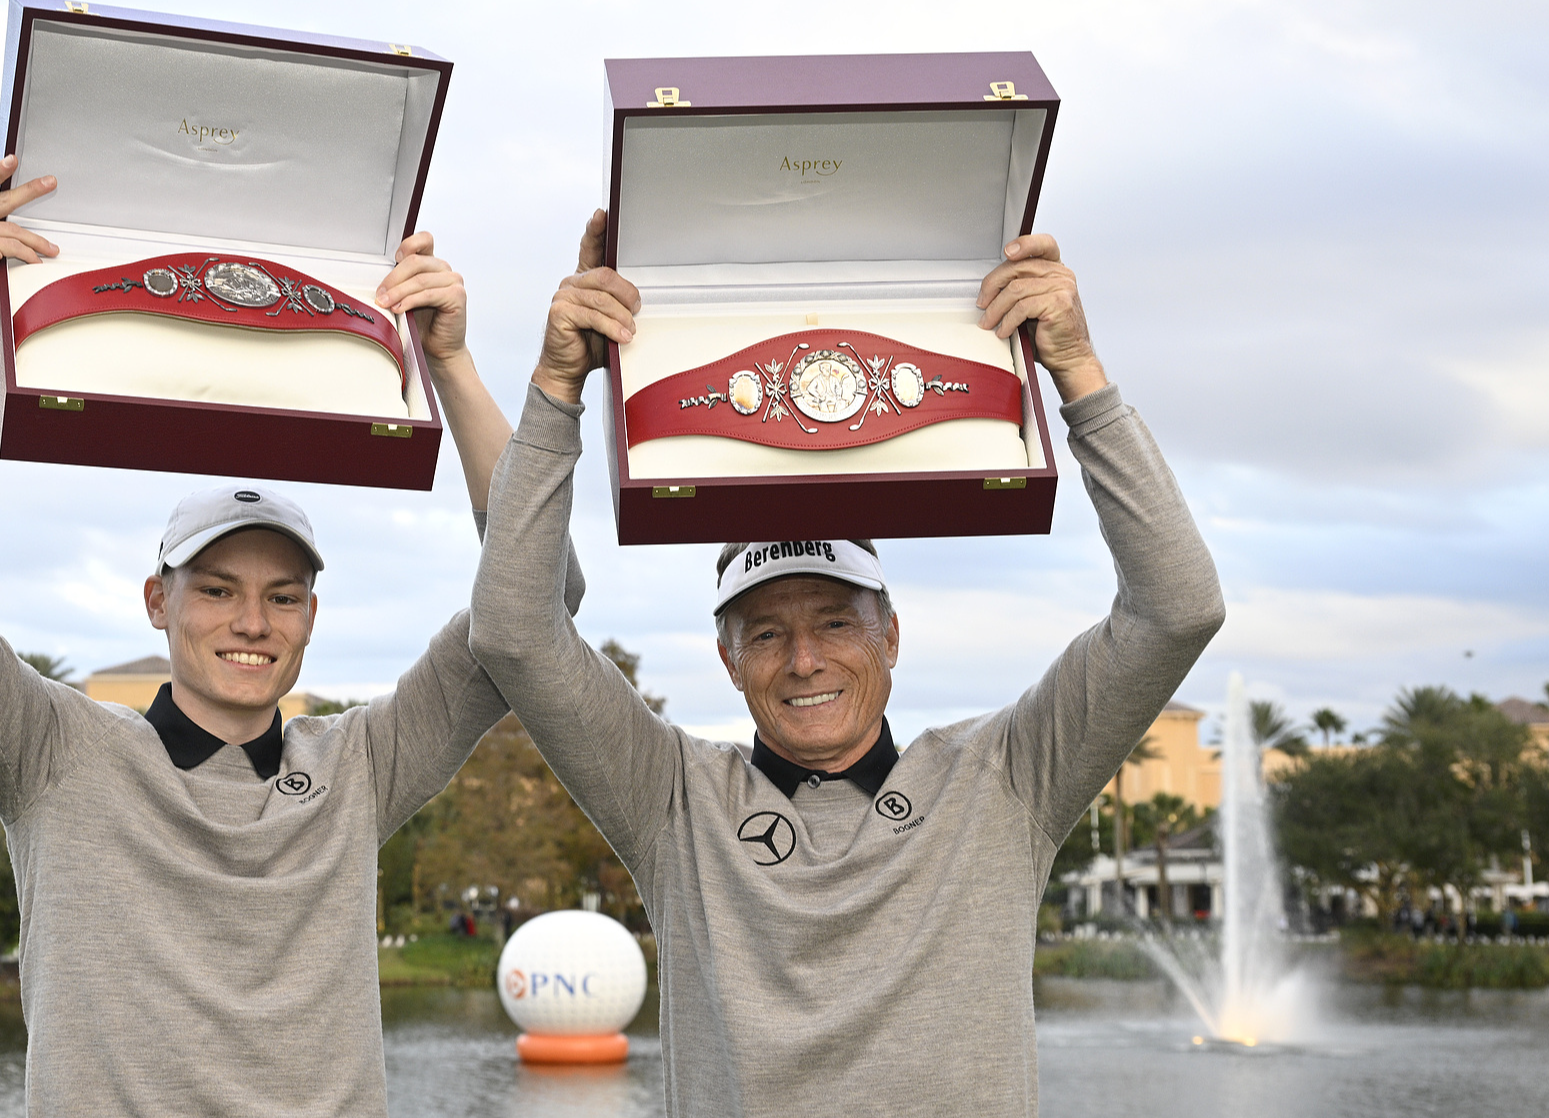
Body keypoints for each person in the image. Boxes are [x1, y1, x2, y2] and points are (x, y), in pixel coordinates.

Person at [0, 157, 581, 1117]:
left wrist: (452, 367)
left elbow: (537, 599)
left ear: (312, 614)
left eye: (283, 596)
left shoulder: (359, 765)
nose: (251, 623)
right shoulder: (52, 753)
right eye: (218, 589)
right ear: (158, 599)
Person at [469, 216, 1225, 1116]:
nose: (803, 660)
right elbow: (515, 631)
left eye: (834, 621)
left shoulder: (1004, 778)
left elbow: (1178, 608)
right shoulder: (672, 798)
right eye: (765, 634)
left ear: (891, 636)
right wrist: (557, 387)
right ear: (727, 659)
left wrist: (1078, 374)